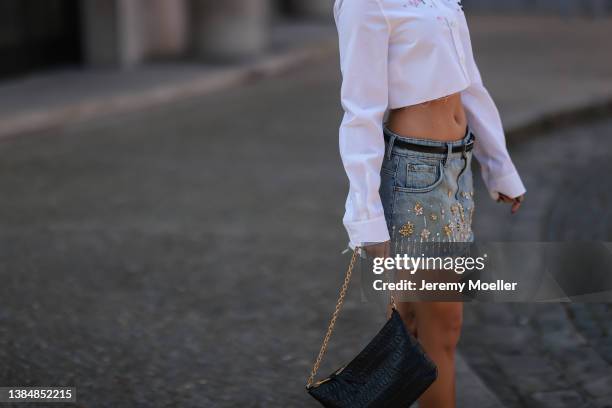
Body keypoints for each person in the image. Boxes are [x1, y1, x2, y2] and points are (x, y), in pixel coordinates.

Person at [333, 0, 525, 406]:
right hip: (415, 174)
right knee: (443, 329)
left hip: (457, 165)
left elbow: (469, 84)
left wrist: (498, 166)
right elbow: (360, 113)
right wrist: (366, 219)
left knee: (412, 328)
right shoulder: (364, 5)